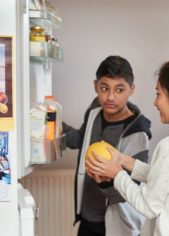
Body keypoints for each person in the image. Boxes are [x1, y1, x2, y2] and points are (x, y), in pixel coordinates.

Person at [86, 60, 169, 236]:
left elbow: (148, 206)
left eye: (158, 94)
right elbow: (165, 177)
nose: (155, 102)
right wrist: (123, 160)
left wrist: (117, 174)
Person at [63, 55, 152, 236]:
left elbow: (130, 193)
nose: (110, 97)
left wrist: (105, 181)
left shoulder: (138, 132)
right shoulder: (95, 109)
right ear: (95, 85)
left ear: (131, 89)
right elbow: (81, 139)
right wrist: (54, 124)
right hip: (89, 218)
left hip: (119, 227)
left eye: (119, 90)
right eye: (104, 88)